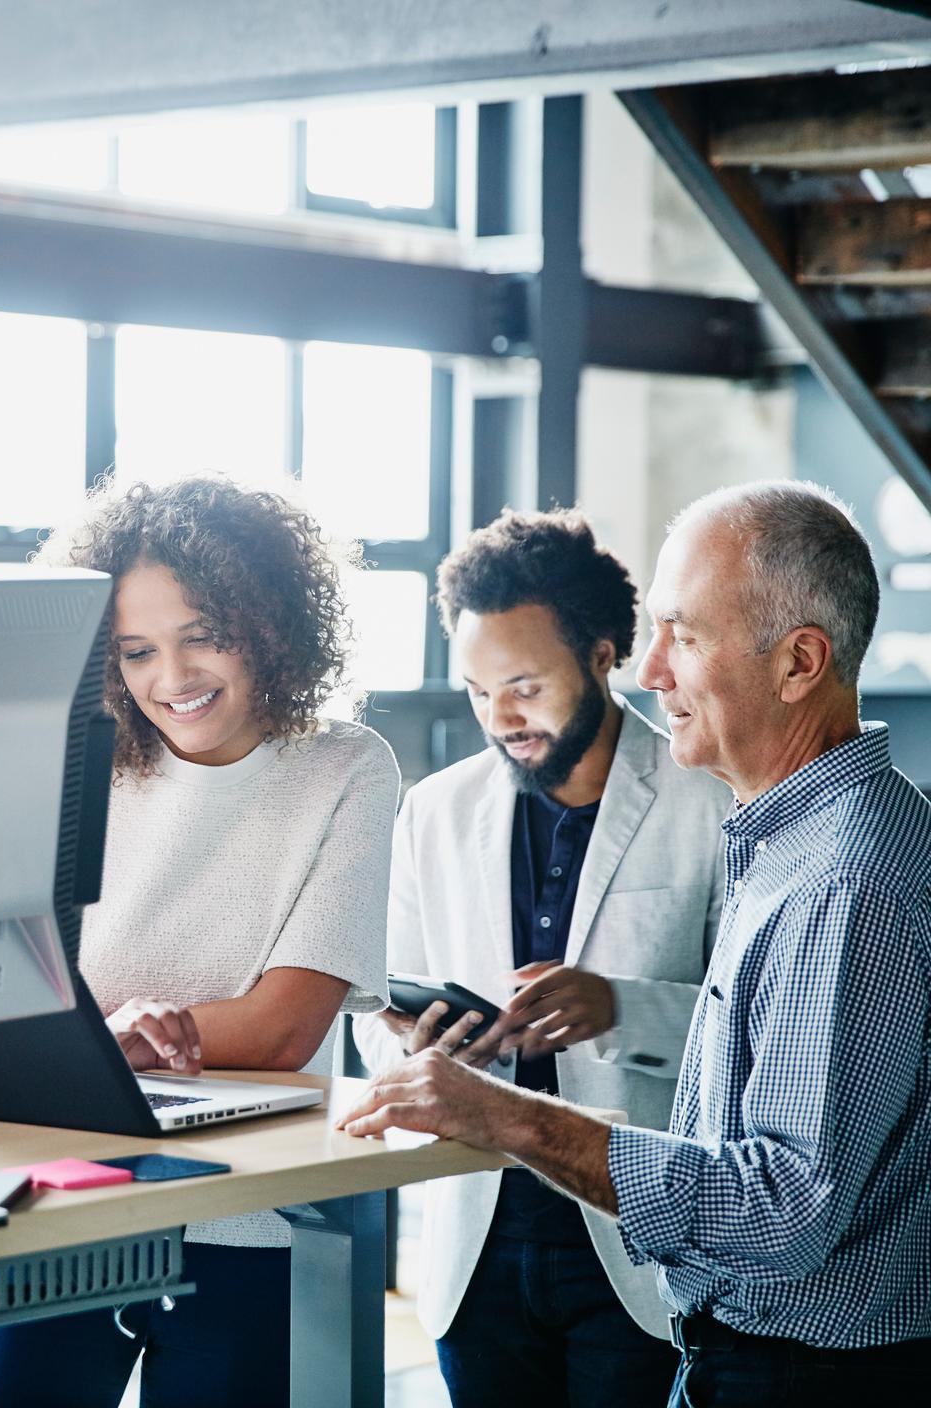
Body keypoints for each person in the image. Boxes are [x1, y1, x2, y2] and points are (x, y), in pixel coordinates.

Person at [341, 482, 931, 1406]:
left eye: (683, 636)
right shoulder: (792, 835)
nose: (654, 670)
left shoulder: (837, 877)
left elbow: (781, 1206)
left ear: (799, 663)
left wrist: (512, 1111)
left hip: (787, 1361)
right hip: (670, 1311)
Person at [0, 475, 399, 1408]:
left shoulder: (346, 766)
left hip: (249, 1215)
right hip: (58, 1191)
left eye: (203, 635)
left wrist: (105, 1036)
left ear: (273, 621)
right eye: (135, 651)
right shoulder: (68, 759)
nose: (173, 678)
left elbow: (284, 1029)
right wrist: (110, 1035)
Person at [353, 508, 729, 1407]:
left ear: (602, 655)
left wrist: (619, 1007)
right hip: (475, 1238)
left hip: (640, 1243)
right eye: (480, 691)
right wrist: (418, 1046)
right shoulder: (433, 812)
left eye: (523, 684)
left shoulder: (709, 799)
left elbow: (757, 1032)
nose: (499, 717)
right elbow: (373, 1014)